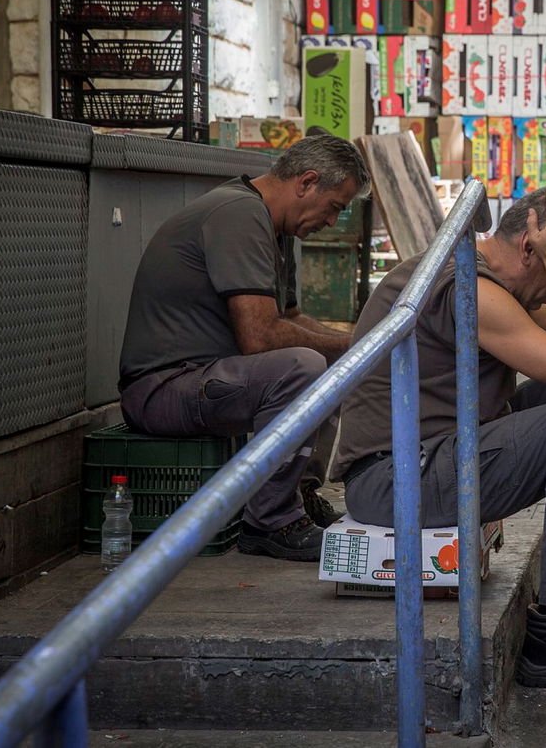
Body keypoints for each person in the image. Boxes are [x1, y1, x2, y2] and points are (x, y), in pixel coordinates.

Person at [332, 185, 546, 689]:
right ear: (529, 250)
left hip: (437, 455)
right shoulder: (471, 287)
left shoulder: (500, 279)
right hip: (397, 479)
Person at [118, 134, 370, 562]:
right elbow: (261, 336)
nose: (332, 222)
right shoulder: (239, 214)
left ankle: (300, 496)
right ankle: (270, 521)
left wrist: (361, 344)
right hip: (163, 388)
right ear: (307, 182)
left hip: (206, 379)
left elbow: (289, 320)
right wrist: (348, 344)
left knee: (333, 362)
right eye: (335, 207)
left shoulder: (276, 228)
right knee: (305, 365)